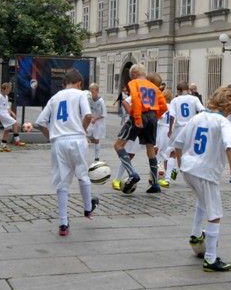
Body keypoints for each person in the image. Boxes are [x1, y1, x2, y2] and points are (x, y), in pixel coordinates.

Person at [173, 86, 231, 272]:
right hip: (206, 172)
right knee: (215, 214)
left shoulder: (197, 117)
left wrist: (181, 163)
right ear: (229, 106)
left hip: (189, 168)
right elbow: (229, 146)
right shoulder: (223, 122)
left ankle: (196, 234)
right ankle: (210, 258)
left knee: (202, 202)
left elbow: (178, 143)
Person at [35, 68, 98, 237]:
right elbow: (87, 115)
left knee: (62, 182)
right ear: (80, 83)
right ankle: (87, 208)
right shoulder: (80, 95)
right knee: (82, 174)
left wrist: (51, 137)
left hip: (58, 142)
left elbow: (40, 122)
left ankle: (63, 223)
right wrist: (82, 130)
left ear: (64, 84)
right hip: (77, 139)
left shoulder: (54, 98)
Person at [114, 64, 168, 194]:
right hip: (152, 116)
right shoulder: (154, 87)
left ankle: (132, 173)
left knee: (118, 145)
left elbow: (137, 101)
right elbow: (163, 105)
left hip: (140, 115)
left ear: (133, 74)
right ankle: (155, 184)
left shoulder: (134, 83)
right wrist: (156, 116)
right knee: (150, 149)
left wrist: (137, 118)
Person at [167, 82, 205, 183]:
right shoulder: (194, 99)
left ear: (178, 91)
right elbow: (202, 110)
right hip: (191, 128)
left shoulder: (175, 100)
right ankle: (193, 175)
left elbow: (172, 116)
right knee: (191, 152)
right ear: (188, 89)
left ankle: (168, 177)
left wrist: (170, 129)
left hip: (179, 129)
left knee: (173, 153)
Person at [0, 83, 22, 152]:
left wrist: (12, 113)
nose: (9, 91)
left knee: (7, 129)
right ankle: (17, 141)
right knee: (15, 123)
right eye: (8, 89)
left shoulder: (6, 97)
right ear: (4, 89)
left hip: (5, 113)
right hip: (0, 113)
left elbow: (7, 107)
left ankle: (3, 146)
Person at [86, 83, 106, 162]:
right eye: (90, 92)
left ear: (97, 91)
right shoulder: (89, 100)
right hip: (91, 122)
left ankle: (97, 157)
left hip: (98, 123)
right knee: (86, 136)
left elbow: (103, 114)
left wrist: (96, 118)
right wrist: (90, 118)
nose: (91, 94)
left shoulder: (101, 101)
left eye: (93, 92)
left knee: (96, 139)